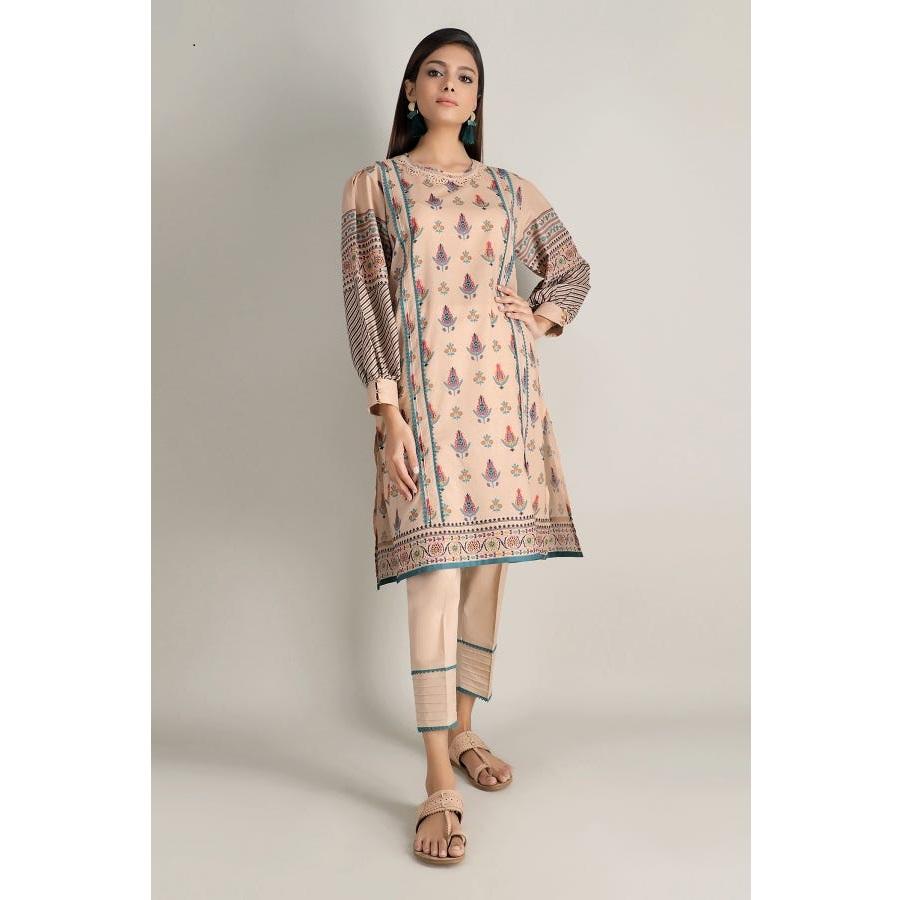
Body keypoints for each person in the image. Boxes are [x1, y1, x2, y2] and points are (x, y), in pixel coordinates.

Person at [339, 28, 592, 865]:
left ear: (478, 101)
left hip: (501, 401)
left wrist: (540, 318)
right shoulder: (374, 187)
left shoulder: (508, 190)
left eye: (467, 77)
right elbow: (367, 302)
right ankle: (437, 777)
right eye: (435, 72)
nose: (451, 85)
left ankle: (467, 727)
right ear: (412, 91)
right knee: (434, 578)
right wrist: (387, 413)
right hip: (423, 405)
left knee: (485, 569)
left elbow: (571, 270)